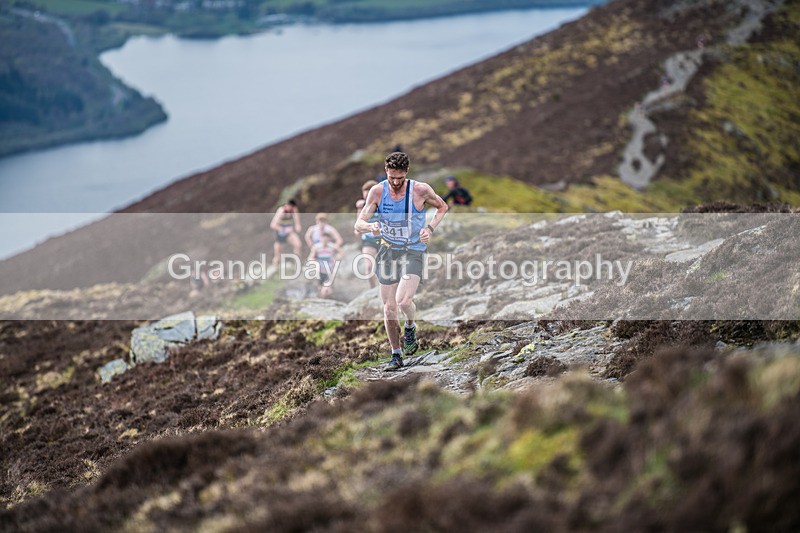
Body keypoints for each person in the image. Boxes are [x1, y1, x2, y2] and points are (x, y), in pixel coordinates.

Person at [355, 152, 448, 371]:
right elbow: (359, 222)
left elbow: (442, 207)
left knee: (403, 302)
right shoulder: (378, 192)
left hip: (413, 250)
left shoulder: (421, 190)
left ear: (407, 172)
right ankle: (396, 354)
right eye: (392, 178)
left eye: (400, 178)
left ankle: (410, 325)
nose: (396, 183)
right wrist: (371, 227)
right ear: (386, 172)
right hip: (388, 251)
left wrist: (430, 228)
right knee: (388, 310)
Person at [355, 179, 379, 288]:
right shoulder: (362, 206)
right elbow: (358, 223)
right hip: (368, 240)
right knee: (368, 267)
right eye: (364, 196)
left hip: (384, 239)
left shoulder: (384, 203)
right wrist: (357, 230)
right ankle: (372, 289)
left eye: (368, 196)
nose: (366, 199)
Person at [269, 199, 302, 268]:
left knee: (298, 244)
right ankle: (275, 267)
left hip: (289, 233)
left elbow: (297, 224)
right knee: (277, 254)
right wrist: (283, 229)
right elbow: (273, 225)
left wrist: (297, 225)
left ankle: (297, 264)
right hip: (280, 234)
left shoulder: (293, 210)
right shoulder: (281, 211)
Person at [307, 232, 341, 299]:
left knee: (327, 289)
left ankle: (327, 300)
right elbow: (310, 258)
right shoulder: (316, 247)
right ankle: (323, 301)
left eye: (326, 240)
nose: (325, 241)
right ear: (321, 239)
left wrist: (337, 258)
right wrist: (314, 263)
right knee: (321, 289)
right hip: (320, 271)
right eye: (323, 239)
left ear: (328, 240)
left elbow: (341, 252)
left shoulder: (332, 246)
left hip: (329, 271)